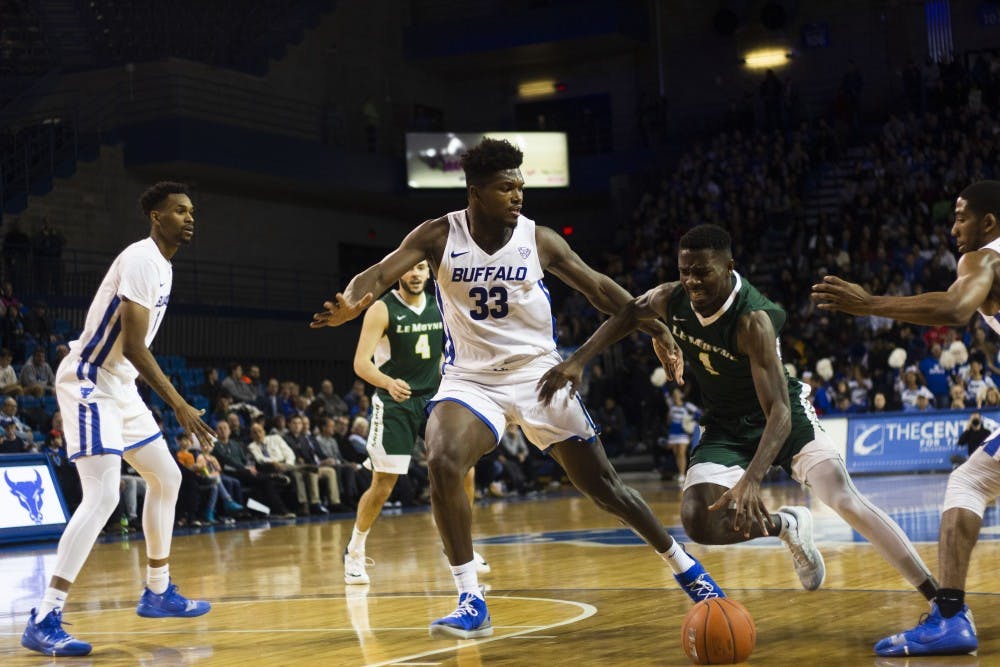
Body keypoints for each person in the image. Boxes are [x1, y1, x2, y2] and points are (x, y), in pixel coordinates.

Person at [311, 138, 722, 640]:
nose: (518, 196)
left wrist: (654, 328)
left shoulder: (539, 239)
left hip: (539, 376)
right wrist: (353, 302)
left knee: (605, 489)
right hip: (470, 378)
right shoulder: (439, 234)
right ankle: (469, 598)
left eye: (520, 186)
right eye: (506, 188)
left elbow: (597, 288)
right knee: (441, 459)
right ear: (476, 191)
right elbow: (377, 273)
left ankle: (687, 570)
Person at [538, 223, 938, 632]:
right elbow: (628, 313)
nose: (692, 281)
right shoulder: (669, 297)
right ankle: (787, 525)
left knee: (842, 497)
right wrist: (580, 360)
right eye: (685, 270)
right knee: (700, 520)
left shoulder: (752, 321)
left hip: (783, 416)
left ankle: (939, 600)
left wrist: (752, 478)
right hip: (725, 423)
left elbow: (779, 410)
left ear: (729, 266)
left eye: (702, 272)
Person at [20, 182, 215, 657]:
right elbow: (132, 344)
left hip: (120, 385)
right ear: (155, 216)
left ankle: (157, 589)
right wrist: (179, 403)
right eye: (179, 211)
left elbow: (130, 356)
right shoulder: (142, 259)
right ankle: (45, 615)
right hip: (89, 379)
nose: (189, 218)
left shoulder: (164, 266)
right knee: (105, 492)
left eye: (192, 212)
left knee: (167, 477)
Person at [812, 180, 1000, 656]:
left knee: (968, 484)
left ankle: (951, 619)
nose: (954, 226)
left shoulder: (984, 258)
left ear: (989, 223)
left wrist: (869, 303)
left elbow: (957, 307)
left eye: (961, 216)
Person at [342, 261, 488, 585]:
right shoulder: (382, 310)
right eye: (410, 269)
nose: (416, 274)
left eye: (422, 268)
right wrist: (386, 381)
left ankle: (460, 546)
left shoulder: (441, 304)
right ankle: (353, 551)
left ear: (428, 272)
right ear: (399, 274)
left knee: (465, 469)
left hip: (433, 399)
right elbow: (360, 363)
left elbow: (446, 352)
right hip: (395, 403)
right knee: (383, 485)